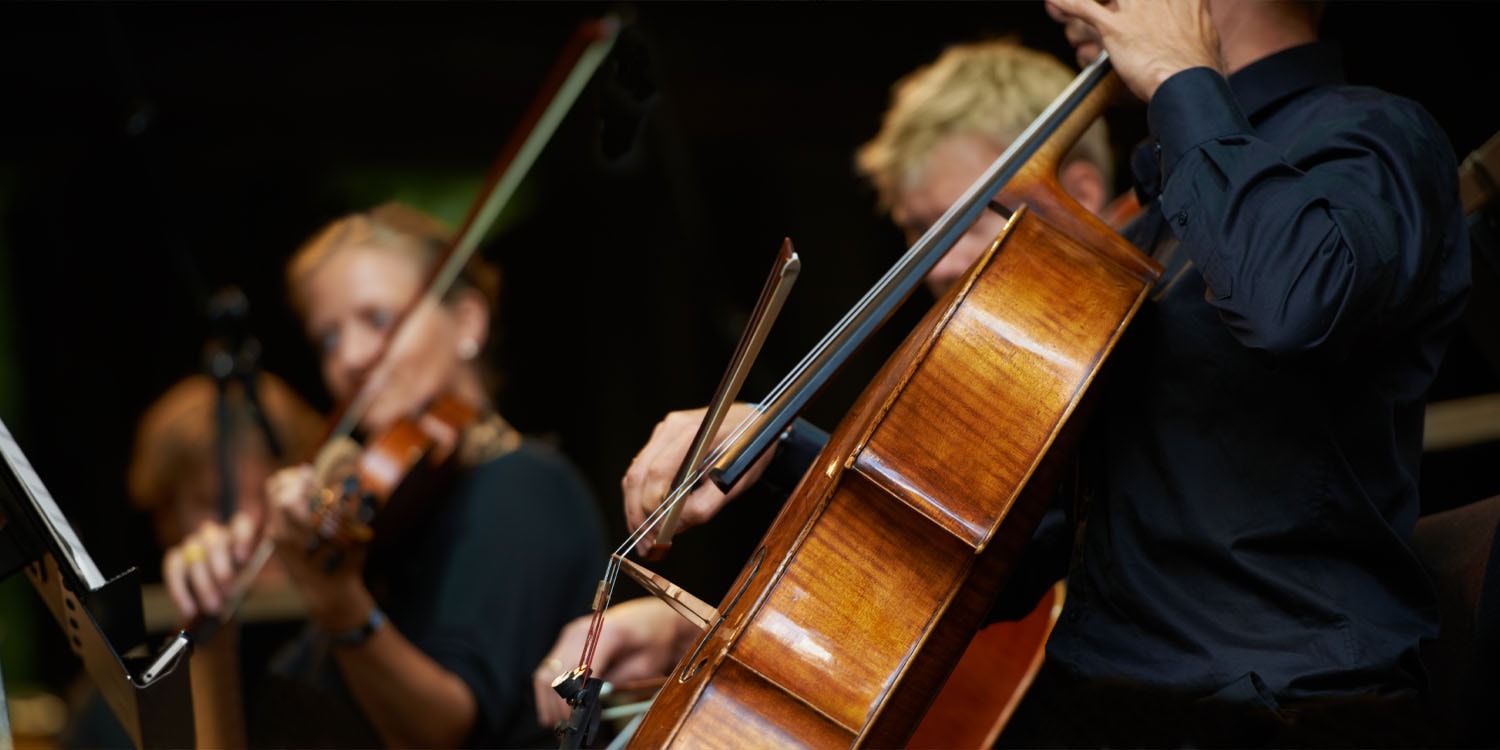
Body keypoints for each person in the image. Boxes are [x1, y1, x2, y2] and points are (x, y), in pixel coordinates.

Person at [548, 0, 1476, 746]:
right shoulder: (1155, 218)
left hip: (1281, 713)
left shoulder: (1374, 139)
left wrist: (1183, 78)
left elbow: (1289, 303)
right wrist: (774, 439)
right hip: (1105, 706)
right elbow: (1024, 543)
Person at [532, 38, 1118, 731]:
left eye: (966, 218)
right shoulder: (974, 376)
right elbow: (892, 608)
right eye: (917, 229)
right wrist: (698, 634)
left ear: (1079, 191)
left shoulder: (1139, 344)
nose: (938, 263)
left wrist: (774, 438)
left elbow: (997, 560)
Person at [164, 202, 607, 748]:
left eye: (378, 319)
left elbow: (447, 730)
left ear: (467, 321)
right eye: (327, 338)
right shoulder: (395, 516)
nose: (349, 357)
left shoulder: (525, 490)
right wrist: (212, 593)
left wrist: (341, 606)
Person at [61, 370, 323, 749]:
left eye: (268, 493)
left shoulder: (343, 649)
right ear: (167, 515)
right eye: (214, 503)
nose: (247, 526)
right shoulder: (117, 702)